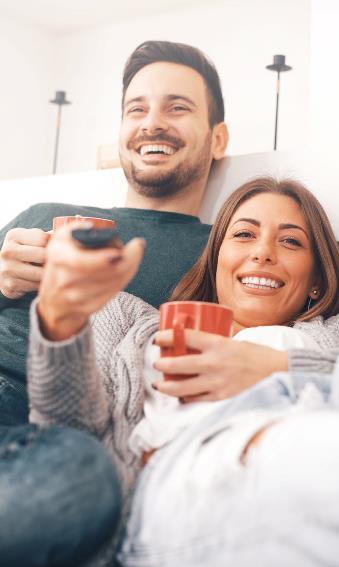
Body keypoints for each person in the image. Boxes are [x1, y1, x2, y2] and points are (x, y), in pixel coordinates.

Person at [0, 173, 339, 567]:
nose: (262, 253)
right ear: (216, 258)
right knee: (79, 464)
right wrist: (61, 322)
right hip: (149, 513)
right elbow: (69, 434)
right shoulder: (126, 319)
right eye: (244, 235)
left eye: (290, 241)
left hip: (277, 490)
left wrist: (274, 367)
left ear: (316, 280)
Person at [0, 40, 229, 425]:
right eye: (136, 109)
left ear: (218, 139)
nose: (151, 124)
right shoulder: (41, 215)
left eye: (177, 107)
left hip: (58, 422)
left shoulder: (228, 253)